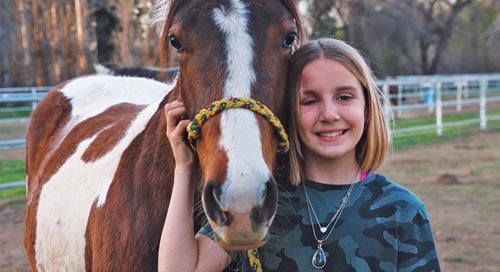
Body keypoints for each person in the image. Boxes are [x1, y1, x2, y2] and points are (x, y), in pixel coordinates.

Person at [159, 38, 441, 271]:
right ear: (287, 111)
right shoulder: (259, 202)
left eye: (344, 97)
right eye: (310, 100)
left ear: (367, 108)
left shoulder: (402, 211)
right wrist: (183, 167)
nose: (329, 114)